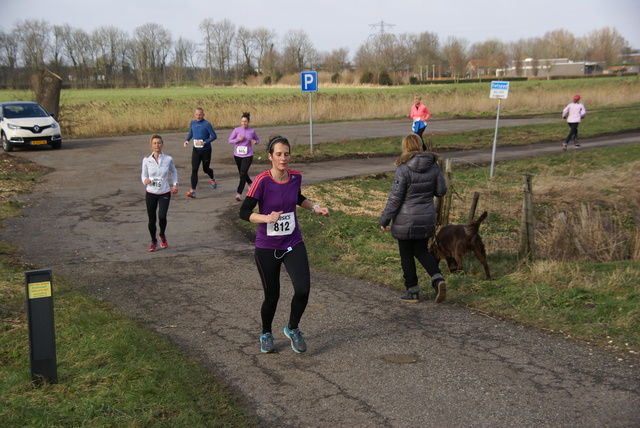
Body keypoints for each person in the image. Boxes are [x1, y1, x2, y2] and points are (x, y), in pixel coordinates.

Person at [239, 135, 330, 354]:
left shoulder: (295, 177)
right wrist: (266, 218)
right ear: (270, 157)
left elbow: (298, 197)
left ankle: (292, 328)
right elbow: (243, 212)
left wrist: (314, 207)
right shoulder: (262, 181)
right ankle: (266, 333)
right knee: (273, 295)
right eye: (278, 154)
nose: (283, 158)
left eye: (286, 154)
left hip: (292, 242)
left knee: (303, 289)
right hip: (267, 247)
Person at [379, 133, 448, 303]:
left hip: (405, 219)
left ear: (405, 147)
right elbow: (441, 191)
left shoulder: (403, 169)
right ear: (420, 145)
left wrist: (385, 219)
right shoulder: (434, 166)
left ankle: (412, 291)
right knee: (421, 251)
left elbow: (395, 198)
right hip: (426, 218)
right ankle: (437, 278)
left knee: (406, 255)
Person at [141, 134, 179, 252]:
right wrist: (145, 181)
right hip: (151, 192)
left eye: (159, 143)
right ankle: (153, 241)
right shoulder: (146, 160)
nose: (157, 145)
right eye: (155, 143)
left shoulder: (168, 159)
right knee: (152, 220)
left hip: (164, 192)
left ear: (162, 144)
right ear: (151, 145)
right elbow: (143, 174)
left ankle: (162, 235)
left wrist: (175, 184)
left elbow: (173, 171)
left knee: (162, 216)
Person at [183, 107, 218, 198]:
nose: (198, 116)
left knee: (205, 169)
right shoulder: (193, 123)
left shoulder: (207, 124)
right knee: (194, 170)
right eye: (197, 115)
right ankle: (193, 191)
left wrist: (205, 142)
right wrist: (187, 140)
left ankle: (212, 177)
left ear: (203, 115)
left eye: (200, 115)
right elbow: (191, 132)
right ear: (194, 115)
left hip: (206, 150)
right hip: (196, 150)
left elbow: (214, 136)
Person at [228, 112, 260, 201]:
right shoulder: (237, 130)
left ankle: (239, 193)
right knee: (242, 173)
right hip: (237, 155)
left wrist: (255, 142)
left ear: (248, 122)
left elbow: (257, 140)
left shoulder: (252, 131)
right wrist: (238, 139)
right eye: (242, 121)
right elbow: (230, 141)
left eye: (245, 121)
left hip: (248, 155)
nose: (243, 123)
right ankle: (250, 183)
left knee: (242, 173)